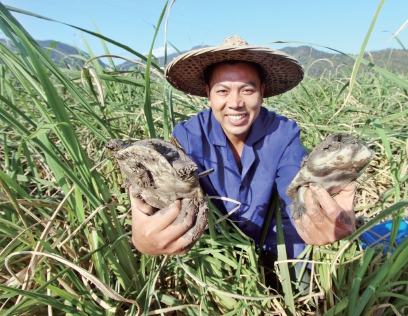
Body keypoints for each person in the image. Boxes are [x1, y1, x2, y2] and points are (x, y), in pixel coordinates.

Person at [130, 36, 356, 259]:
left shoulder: (283, 133)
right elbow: (172, 200)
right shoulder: (187, 137)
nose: (236, 102)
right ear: (209, 94)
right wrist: (143, 239)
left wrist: (316, 217)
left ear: (262, 92)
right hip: (214, 247)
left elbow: (296, 189)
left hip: (277, 239)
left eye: (247, 90)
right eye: (222, 91)